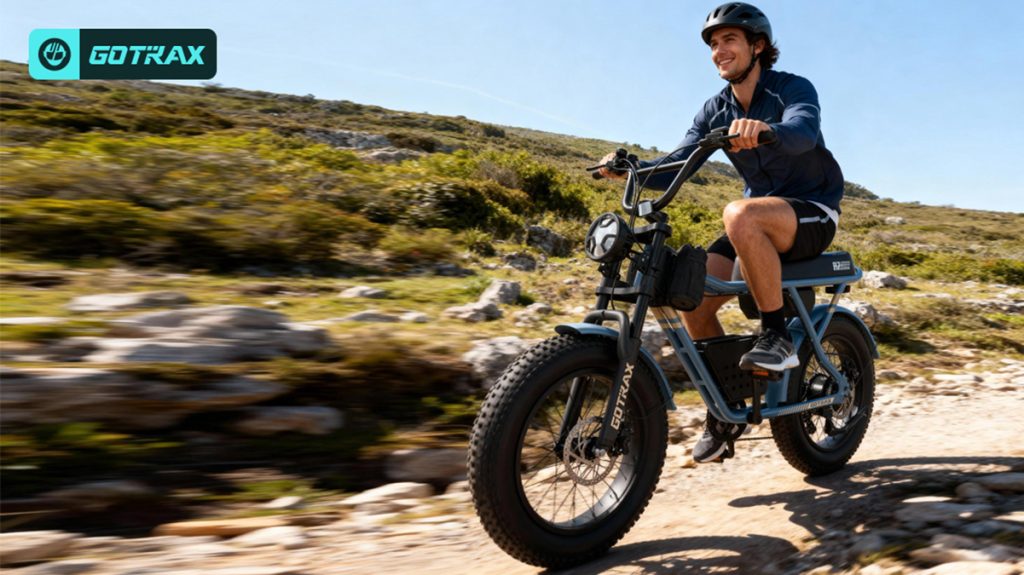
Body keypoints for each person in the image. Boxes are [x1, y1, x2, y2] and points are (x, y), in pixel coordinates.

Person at [597, 2, 844, 463]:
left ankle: (776, 337)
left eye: (729, 40)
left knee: (739, 212)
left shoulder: (791, 87)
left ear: (758, 46)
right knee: (689, 297)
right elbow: (676, 163)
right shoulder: (715, 109)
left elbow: (804, 130)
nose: (719, 50)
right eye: (713, 44)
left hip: (810, 211)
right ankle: (726, 406)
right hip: (755, 220)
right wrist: (630, 168)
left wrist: (766, 130)